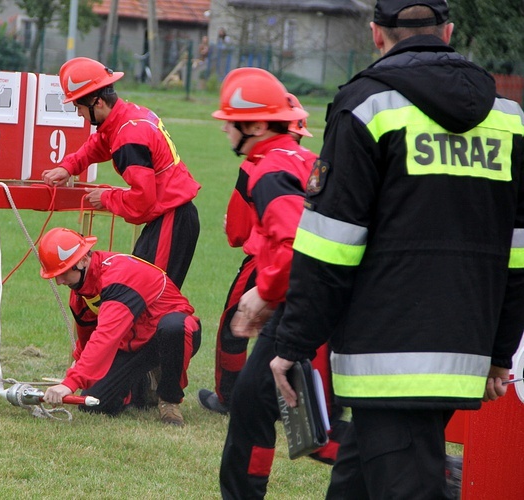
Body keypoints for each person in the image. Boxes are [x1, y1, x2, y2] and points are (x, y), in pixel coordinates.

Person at [270, 1, 524, 498]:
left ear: (375, 34)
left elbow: (330, 243)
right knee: (356, 483)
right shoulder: (510, 119)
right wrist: (499, 349)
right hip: (464, 346)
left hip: (382, 353)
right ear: (448, 32)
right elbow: (518, 251)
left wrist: (294, 345)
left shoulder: (364, 104)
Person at [198, 67, 328, 498]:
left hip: (303, 300)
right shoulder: (305, 159)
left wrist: (265, 294)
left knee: (285, 415)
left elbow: (292, 245)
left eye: (230, 124)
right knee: (256, 401)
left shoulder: (269, 170)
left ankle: (430, 473)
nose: (226, 133)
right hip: (319, 296)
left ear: (254, 125)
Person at [198, 90, 317, 416]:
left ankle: (228, 398)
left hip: (270, 265)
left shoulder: (260, 166)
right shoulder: (313, 161)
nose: (226, 130)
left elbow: (237, 233)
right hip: (316, 273)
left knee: (232, 329)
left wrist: (264, 286)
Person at [42, 57, 201, 290]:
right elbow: (99, 143)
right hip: (169, 216)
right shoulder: (126, 117)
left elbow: (142, 200)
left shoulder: (129, 136)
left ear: (97, 103)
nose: (78, 115)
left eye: (78, 107)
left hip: (171, 219)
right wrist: (69, 167)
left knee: (151, 297)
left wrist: (106, 198)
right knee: (138, 290)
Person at [39, 227, 202, 427]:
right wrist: (77, 365)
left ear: (82, 260)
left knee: (175, 327)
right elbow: (87, 336)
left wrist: (70, 383)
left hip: (169, 336)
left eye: (63, 273)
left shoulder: (119, 277)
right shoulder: (79, 292)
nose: (59, 281)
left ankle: (169, 399)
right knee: (94, 404)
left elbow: (106, 337)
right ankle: (144, 386)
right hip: (132, 344)